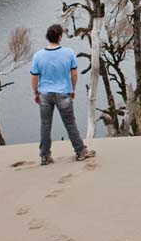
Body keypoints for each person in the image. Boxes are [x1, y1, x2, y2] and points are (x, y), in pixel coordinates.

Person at [30, 24, 96, 165]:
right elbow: (74, 73)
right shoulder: (69, 52)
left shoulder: (38, 55)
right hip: (63, 93)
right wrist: (72, 89)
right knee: (70, 124)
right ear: (60, 37)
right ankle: (80, 152)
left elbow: (34, 77)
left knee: (45, 125)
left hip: (45, 94)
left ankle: (45, 156)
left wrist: (36, 93)